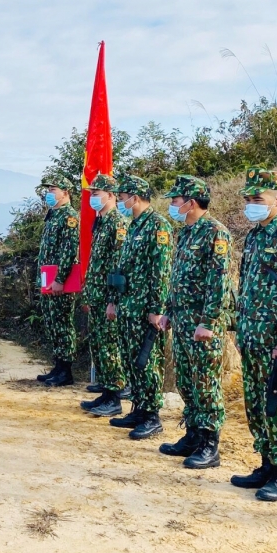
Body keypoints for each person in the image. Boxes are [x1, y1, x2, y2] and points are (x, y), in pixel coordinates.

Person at [230, 168, 277, 501]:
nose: (251, 204)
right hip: (252, 337)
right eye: (248, 199)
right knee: (257, 405)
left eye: (257, 199)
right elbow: (245, 285)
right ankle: (266, 464)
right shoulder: (255, 235)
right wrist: (239, 326)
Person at [157, 176, 232, 469]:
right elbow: (177, 279)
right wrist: (169, 311)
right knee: (187, 381)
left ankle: (210, 444)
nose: (172, 205)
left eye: (176, 201)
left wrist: (209, 321)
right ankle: (193, 434)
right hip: (184, 320)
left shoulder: (215, 232)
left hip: (202, 324)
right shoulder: (186, 232)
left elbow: (219, 281)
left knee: (205, 383)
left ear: (191, 202)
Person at [106, 174, 172, 440]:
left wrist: (156, 308)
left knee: (147, 362)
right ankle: (139, 408)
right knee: (132, 362)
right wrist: (114, 300)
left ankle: (152, 416)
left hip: (145, 309)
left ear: (135, 197)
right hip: (128, 306)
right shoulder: (134, 225)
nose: (121, 202)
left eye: (122, 198)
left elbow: (160, 271)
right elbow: (123, 268)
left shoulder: (158, 226)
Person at [78, 174, 128, 418]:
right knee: (99, 346)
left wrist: (112, 301)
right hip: (96, 295)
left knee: (110, 348)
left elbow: (117, 267)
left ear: (111, 195)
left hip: (107, 298)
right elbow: (96, 264)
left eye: (96, 194)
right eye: (91, 194)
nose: (92, 198)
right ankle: (106, 393)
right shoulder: (101, 221)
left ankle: (115, 397)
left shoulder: (118, 223)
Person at [35, 175, 80, 387]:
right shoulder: (53, 214)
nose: (49, 193)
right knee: (52, 323)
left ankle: (66, 370)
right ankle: (57, 366)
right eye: (49, 189)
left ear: (66, 192)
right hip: (47, 277)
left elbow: (69, 251)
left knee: (63, 324)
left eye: (54, 189)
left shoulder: (69, 217)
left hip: (59, 281)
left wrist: (60, 279)